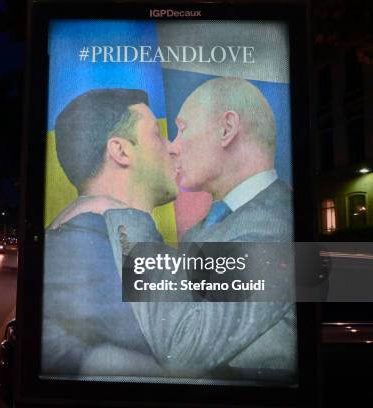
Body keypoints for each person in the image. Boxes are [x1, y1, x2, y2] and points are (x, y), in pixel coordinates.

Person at [42, 88, 293, 382]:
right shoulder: (82, 250)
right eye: (158, 135)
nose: (171, 147)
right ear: (121, 151)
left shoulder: (93, 242)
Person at [166, 77, 297, 375]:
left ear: (227, 129)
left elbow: (182, 353)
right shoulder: (199, 232)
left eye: (182, 129)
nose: (172, 147)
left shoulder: (279, 229)